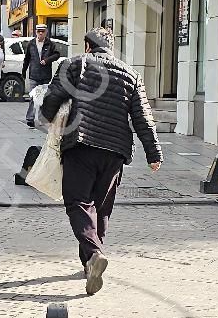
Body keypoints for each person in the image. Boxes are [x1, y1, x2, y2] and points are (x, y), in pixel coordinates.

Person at [40, 27, 161, 295]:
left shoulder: (74, 65)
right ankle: (90, 265)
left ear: (87, 45)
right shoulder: (130, 74)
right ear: (111, 47)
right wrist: (154, 154)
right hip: (115, 151)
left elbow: (53, 97)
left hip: (81, 144)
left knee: (77, 202)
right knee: (101, 208)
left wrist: (47, 117)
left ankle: (94, 254)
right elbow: (143, 117)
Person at [22, 22, 62, 127]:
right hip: (34, 74)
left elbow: (57, 54)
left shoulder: (50, 43)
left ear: (46, 32)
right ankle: (30, 118)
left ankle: (41, 118)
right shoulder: (31, 43)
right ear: (35, 32)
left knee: (43, 97)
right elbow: (27, 58)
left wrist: (47, 60)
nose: (40, 33)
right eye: (38, 31)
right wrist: (23, 71)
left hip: (45, 75)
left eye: (42, 31)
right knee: (33, 97)